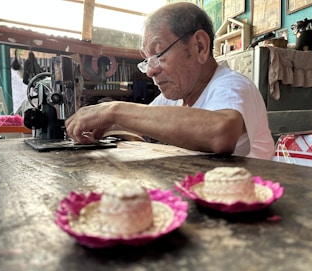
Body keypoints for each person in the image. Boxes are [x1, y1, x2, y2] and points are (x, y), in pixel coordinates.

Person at [65, 2, 275, 160]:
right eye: (147, 60)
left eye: (159, 54)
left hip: (249, 207)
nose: (150, 71)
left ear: (199, 46)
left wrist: (113, 110)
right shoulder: (177, 96)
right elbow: (140, 125)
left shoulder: (233, 85)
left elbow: (221, 132)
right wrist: (100, 124)